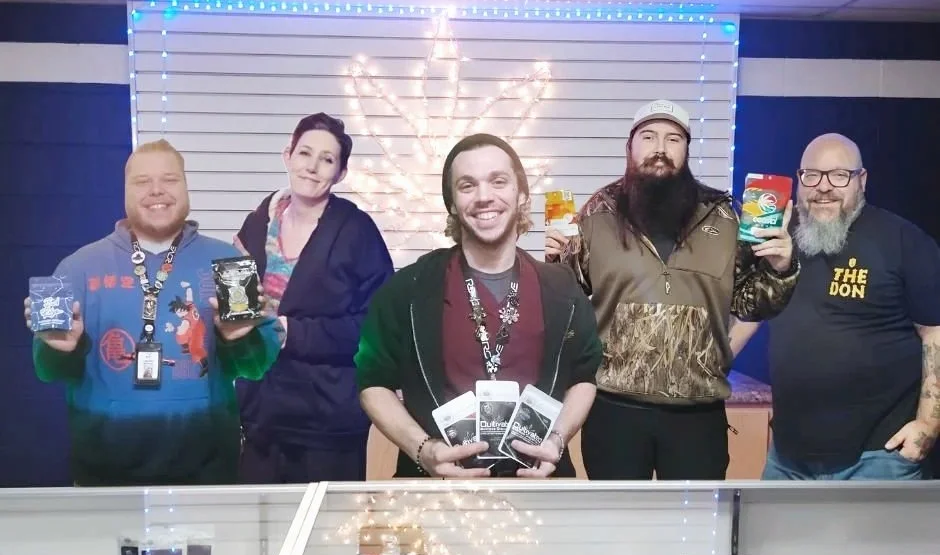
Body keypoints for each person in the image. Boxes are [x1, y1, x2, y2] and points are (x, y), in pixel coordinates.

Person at [546, 99, 799, 480]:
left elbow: (753, 304)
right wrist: (555, 260)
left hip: (697, 415)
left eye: (673, 139)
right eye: (648, 137)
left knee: (695, 518)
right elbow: (569, 301)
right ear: (630, 148)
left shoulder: (725, 216)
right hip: (614, 412)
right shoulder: (598, 213)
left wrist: (780, 268)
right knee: (616, 517)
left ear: (687, 150)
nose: (660, 148)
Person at [24, 139, 281, 486]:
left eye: (169, 179)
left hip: (207, 473)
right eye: (142, 181)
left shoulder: (229, 263)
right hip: (103, 475)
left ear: (186, 187)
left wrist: (237, 340)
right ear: (125, 192)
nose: (156, 190)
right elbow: (47, 371)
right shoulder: (78, 268)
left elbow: (256, 366)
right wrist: (62, 350)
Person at [355, 133, 602, 478]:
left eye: (498, 181)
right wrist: (423, 450)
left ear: (522, 195)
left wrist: (557, 441)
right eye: (467, 185)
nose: (484, 196)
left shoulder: (563, 290)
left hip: (537, 486)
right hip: (437, 491)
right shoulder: (408, 290)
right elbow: (372, 381)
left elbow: (584, 377)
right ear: (452, 204)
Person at [732, 133, 940, 480]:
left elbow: (935, 332)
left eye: (839, 175)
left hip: (878, 458)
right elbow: (748, 315)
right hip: (787, 457)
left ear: (862, 180)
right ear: (799, 179)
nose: (823, 187)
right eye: (811, 175)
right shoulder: (778, 237)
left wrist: (927, 426)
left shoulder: (904, 240)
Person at [234, 113, 393, 482]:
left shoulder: (357, 232)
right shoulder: (257, 223)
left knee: (327, 520)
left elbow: (376, 330)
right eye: (305, 153)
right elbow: (238, 312)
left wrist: (292, 332)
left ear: (340, 173)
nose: (312, 166)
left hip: (327, 424)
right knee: (258, 519)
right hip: (260, 418)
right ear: (287, 155)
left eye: (327, 159)